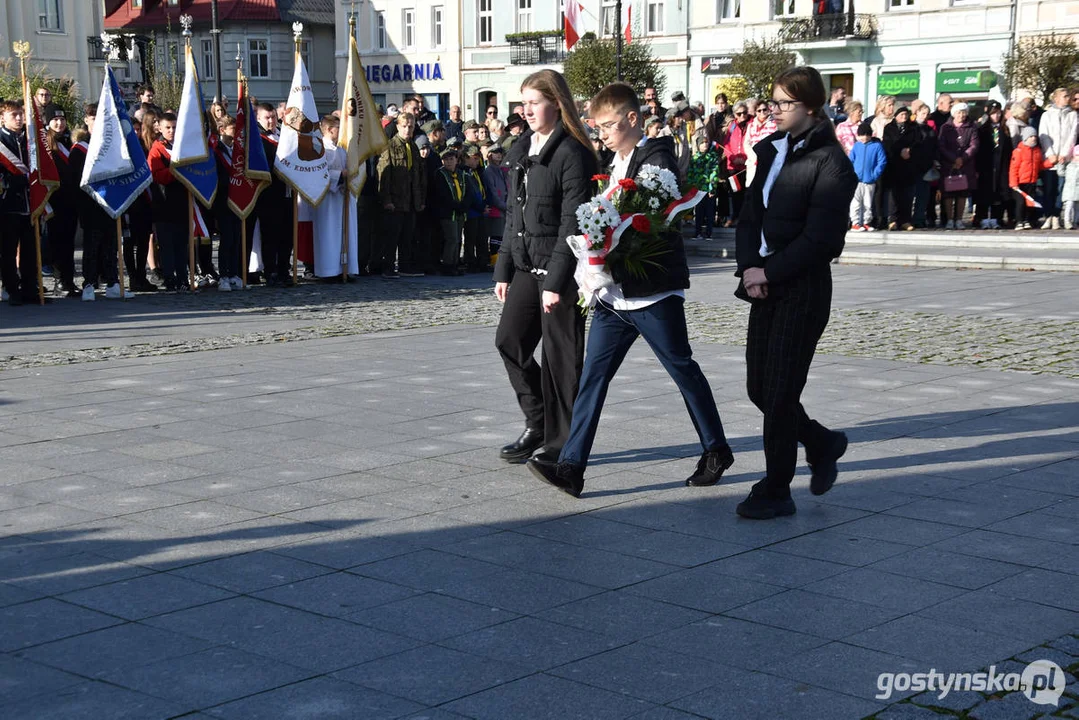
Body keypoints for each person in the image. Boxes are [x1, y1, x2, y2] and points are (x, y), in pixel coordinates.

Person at [528, 82, 736, 497]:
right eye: (597, 126)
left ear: (632, 119)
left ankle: (716, 449)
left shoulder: (653, 156)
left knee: (682, 370)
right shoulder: (613, 161)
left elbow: (645, 213)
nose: (602, 133)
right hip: (613, 296)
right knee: (593, 378)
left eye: (608, 125)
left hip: (652, 293)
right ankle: (571, 468)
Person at [734, 66, 857, 520]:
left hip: (801, 287)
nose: (775, 110)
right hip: (762, 282)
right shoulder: (769, 150)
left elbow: (823, 240)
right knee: (759, 388)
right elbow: (749, 216)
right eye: (773, 101)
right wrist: (750, 267)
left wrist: (769, 272)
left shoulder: (832, 163)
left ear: (809, 106)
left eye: (784, 103)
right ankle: (823, 442)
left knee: (781, 392)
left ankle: (776, 488)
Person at [493, 69, 598, 464]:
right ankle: (537, 420)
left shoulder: (572, 153)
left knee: (562, 362)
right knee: (510, 341)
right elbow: (513, 215)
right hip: (524, 266)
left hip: (561, 275)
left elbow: (572, 223)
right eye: (524, 102)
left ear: (556, 103)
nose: (527, 109)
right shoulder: (522, 149)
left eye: (534, 101)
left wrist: (556, 281)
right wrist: (503, 269)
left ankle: (562, 445)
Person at [377, 111, 427, 277]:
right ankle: (388, 267)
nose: (407, 130)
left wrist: (420, 199)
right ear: (398, 126)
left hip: (411, 199)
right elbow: (384, 175)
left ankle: (405, 265)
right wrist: (387, 200)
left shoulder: (412, 146)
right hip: (396, 199)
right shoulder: (389, 146)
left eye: (411, 126)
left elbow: (418, 175)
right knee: (392, 236)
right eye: (404, 126)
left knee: (408, 236)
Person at [249, 102, 294, 286]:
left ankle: (284, 268)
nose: (271, 121)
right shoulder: (258, 140)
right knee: (271, 235)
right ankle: (271, 271)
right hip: (269, 194)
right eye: (267, 118)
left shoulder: (284, 135)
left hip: (287, 192)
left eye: (273, 117)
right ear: (258, 118)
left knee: (287, 234)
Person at [147, 112, 193, 292]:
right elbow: (157, 176)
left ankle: (183, 277)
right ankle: (169, 277)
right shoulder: (157, 149)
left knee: (182, 244)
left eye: (174, 127)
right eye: (168, 128)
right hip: (164, 204)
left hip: (182, 203)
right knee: (167, 245)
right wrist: (176, 169)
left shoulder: (183, 147)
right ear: (160, 128)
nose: (171, 131)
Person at [0, 101, 38, 305]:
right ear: (2, 118)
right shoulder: (1, 141)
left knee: (30, 248)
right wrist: (16, 181)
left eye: (20, 114)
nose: (18, 118)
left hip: (30, 203)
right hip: (8, 204)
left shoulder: (29, 140)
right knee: (8, 249)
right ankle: (11, 288)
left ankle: (30, 288)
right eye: (13, 115)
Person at [44, 107, 80, 297]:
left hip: (71, 200)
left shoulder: (70, 141)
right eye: (55, 119)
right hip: (55, 201)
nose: (59, 123)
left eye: (62, 119)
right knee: (57, 242)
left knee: (69, 242)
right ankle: (59, 281)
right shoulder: (46, 144)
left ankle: (69, 279)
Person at [211, 116, 244, 290]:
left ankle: (234, 273)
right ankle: (223, 274)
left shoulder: (239, 150)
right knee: (226, 239)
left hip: (238, 200)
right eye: (233, 128)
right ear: (222, 130)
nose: (236, 132)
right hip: (223, 200)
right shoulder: (216, 151)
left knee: (236, 238)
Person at [1038, 88, 1077, 229]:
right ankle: (1047, 216)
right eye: (1065, 96)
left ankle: (1056, 216)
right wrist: (1050, 154)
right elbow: (1043, 135)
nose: (1068, 99)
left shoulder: (1072, 115)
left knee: (1061, 189)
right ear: (1056, 98)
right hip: (1050, 159)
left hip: (1064, 159)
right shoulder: (1047, 115)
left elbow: (1072, 135)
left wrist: (1065, 154)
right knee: (1048, 189)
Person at [937, 102, 979, 229]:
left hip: (965, 164)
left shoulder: (972, 127)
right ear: (954, 114)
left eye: (963, 112)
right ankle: (950, 219)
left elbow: (974, 145)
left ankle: (959, 219)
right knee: (949, 193)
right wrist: (953, 158)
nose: (961, 115)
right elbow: (941, 145)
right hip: (949, 164)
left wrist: (963, 157)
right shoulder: (946, 127)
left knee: (962, 193)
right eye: (959, 112)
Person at [973, 101, 1013, 230]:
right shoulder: (982, 130)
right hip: (987, 166)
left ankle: (997, 217)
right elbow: (979, 151)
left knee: (999, 193)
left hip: (1001, 165)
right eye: (993, 113)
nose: (996, 116)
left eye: (998, 113)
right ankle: (983, 217)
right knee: (984, 192)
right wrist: (977, 168)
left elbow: (1008, 149)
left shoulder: (1005, 130)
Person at [882, 106, 918, 230]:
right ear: (896, 115)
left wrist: (909, 151)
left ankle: (905, 220)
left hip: (909, 165)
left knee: (907, 195)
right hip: (894, 165)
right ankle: (893, 220)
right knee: (893, 195)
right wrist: (900, 151)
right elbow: (888, 144)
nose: (904, 116)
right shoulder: (889, 128)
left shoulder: (913, 128)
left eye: (906, 114)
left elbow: (917, 143)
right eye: (901, 114)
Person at [433, 148, 466, 275]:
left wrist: (464, 205)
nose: (448, 162)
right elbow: (442, 194)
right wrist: (455, 206)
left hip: (460, 212)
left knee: (457, 239)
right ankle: (447, 265)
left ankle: (455, 263)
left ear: (457, 160)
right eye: (445, 159)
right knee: (451, 238)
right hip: (447, 212)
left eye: (451, 159)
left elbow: (468, 191)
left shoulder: (461, 174)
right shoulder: (440, 174)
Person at [849, 121, 887, 231]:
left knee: (868, 203)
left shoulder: (877, 146)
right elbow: (850, 160)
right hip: (857, 180)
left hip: (870, 180)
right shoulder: (856, 146)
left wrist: (874, 175)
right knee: (856, 202)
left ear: (871, 135)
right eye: (861, 135)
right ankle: (855, 223)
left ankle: (866, 222)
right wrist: (852, 174)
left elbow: (882, 161)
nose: (864, 138)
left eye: (867, 135)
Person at [1010, 127, 1049, 230]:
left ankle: (1027, 220)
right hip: (1020, 183)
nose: (1033, 138)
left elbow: (1039, 165)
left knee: (1030, 202)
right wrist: (1014, 183)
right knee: (1020, 202)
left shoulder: (1037, 151)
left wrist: (1049, 163)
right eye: (1031, 136)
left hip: (1032, 182)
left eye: (1035, 136)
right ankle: (1019, 220)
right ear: (1025, 138)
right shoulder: (1019, 151)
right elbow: (1013, 168)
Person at [460, 144, 488, 273]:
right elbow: (470, 193)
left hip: (481, 210)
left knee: (481, 237)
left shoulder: (476, 172)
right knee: (470, 238)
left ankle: (482, 262)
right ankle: (469, 262)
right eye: (473, 158)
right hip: (472, 211)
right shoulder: (464, 172)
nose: (476, 161)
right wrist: (480, 207)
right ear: (466, 158)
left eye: (478, 158)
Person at [911, 102, 939, 229]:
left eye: (927, 114)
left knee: (923, 195)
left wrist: (935, 160)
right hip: (912, 165)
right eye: (923, 113)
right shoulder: (911, 128)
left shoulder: (929, 130)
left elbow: (934, 146)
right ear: (916, 113)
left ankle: (919, 218)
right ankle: (907, 218)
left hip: (926, 165)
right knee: (911, 194)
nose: (925, 116)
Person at [688, 134, 721, 239]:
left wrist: (712, 188)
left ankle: (708, 233)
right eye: (702, 143)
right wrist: (691, 187)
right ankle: (697, 232)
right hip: (698, 190)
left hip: (709, 190)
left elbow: (714, 173)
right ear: (698, 145)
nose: (705, 144)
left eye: (706, 142)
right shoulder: (695, 158)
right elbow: (691, 173)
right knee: (699, 212)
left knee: (710, 212)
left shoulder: (712, 157)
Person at [722, 102, 750, 226]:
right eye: (739, 113)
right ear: (735, 115)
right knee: (735, 193)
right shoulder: (732, 126)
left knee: (746, 192)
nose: (743, 115)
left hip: (747, 166)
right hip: (733, 167)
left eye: (745, 112)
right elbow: (726, 144)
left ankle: (744, 217)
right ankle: (734, 216)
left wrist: (746, 159)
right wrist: (733, 158)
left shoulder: (751, 125)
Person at [482, 143, 508, 270]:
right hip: (495, 210)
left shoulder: (501, 170)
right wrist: (504, 206)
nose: (499, 155)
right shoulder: (489, 171)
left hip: (504, 208)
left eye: (500, 152)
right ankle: (494, 261)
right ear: (489, 155)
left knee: (501, 236)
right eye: (495, 152)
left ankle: (499, 262)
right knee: (496, 237)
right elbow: (492, 193)